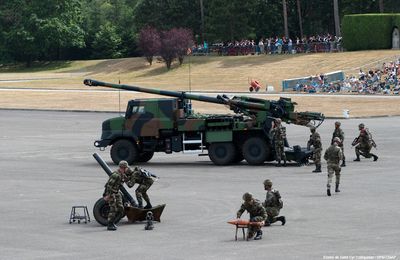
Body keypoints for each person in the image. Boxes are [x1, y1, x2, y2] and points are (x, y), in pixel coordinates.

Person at [103, 160, 129, 231]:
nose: (127, 169)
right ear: (123, 167)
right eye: (126, 167)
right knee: (113, 209)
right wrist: (108, 196)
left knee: (121, 208)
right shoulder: (116, 175)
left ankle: (113, 221)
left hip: (116, 193)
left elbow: (127, 180)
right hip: (111, 193)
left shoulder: (122, 174)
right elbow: (109, 186)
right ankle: (110, 224)